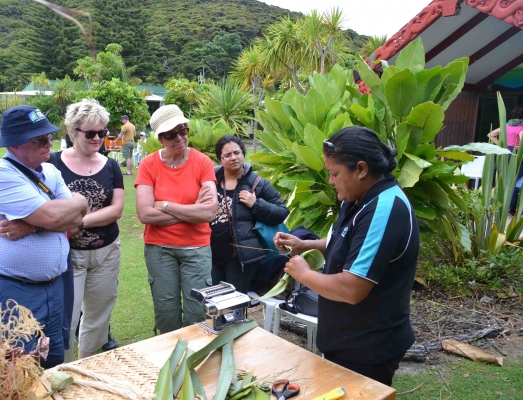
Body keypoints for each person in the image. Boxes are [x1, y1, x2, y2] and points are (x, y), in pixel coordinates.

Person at [274, 126, 419, 386]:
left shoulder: (384, 209)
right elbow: (342, 242)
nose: (331, 181)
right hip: (345, 338)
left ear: (361, 169)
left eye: (334, 173)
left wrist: (304, 274)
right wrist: (304, 244)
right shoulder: (355, 198)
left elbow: (352, 288)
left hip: (369, 347)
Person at [0, 105, 88, 368]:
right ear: (14, 145)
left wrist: (32, 226)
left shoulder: (49, 170)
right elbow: (54, 217)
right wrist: (67, 208)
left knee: (53, 361)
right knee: (18, 367)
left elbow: (78, 218)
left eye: (50, 136)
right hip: (15, 289)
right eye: (39, 139)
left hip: (54, 285)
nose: (49, 143)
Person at [49, 99, 124, 361]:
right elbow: (47, 209)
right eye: (90, 133)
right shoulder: (53, 164)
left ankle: (87, 364)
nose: (98, 138)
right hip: (68, 256)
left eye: (102, 132)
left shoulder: (111, 165)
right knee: (66, 317)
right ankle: (64, 369)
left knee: (99, 313)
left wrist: (79, 222)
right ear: (72, 131)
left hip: (106, 252)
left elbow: (116, 210)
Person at [135, 104, 217, 334]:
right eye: (171, 134)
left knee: (196, 311)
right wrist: (192, 211)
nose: (179, 138)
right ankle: (171, 363)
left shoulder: (202, 162)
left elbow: (209, 212)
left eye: (183, 130)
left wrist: (167, 206)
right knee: (166, 312)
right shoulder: (149, 164)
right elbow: (144, 214)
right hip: (160, 250)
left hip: (197, 248)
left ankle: (194, 361)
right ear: (160, 138)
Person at [210, 135, 289, 293]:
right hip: (211, 253)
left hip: (240, 257)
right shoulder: (211, 182)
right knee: (213, 299)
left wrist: (256, 204)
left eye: (237, 152)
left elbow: (282, 211)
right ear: (220, 159)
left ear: (243, 154)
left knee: (235, 301)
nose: (233, 158)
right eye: (227, 155)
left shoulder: (258, 183)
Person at [489, 106, 523, 215]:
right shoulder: (521, 127)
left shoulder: (506, 125)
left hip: (504, 154)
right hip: (516, 156)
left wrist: (502, 145)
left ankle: (498, 206)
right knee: (513, 182)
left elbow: (490, 135)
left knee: (502, 181)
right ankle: (511, 209)